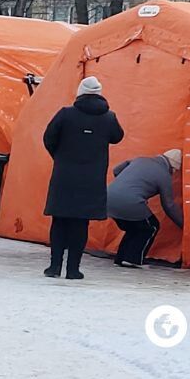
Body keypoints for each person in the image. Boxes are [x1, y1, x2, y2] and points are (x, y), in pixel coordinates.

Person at [42, 76, 124, 279]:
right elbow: (117, 137)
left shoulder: (65, 114)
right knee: (80, 224)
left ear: (80, 92)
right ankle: (73, 269)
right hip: (92, 178)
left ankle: (54, 267)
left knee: (60, 220)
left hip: (64, 175)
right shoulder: (109, 117)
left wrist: (59, 157)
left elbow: (48, 137)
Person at [107, 149, 184, 268]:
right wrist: (183, 224)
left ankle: (121, 258)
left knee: (134, 228)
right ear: (173, 167)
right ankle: (134, 260)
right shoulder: (164, 175)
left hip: (108, 199)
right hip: (131, 202)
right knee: (151, 227)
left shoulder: (140, 160)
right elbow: (169, 205)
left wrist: (124, 184)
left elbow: (116, 170)